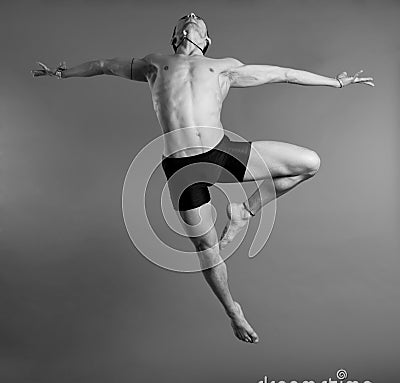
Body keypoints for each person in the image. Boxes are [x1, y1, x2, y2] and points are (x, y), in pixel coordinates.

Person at [32, 12, 374, 344]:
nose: (192, 14)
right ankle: (233, 311)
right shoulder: (155, 63)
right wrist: (63, 74)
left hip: (219, 153)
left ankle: (245, 211)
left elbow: (282, 73)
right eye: (185, 18)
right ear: (175, 35)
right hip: (180, 168)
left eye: (197, 20)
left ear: (206, 40)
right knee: (206, 248)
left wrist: (337, 82)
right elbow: (104, 65)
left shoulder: (223, 67)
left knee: (309, 163)